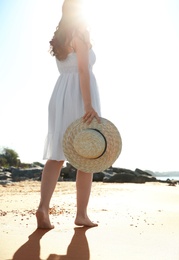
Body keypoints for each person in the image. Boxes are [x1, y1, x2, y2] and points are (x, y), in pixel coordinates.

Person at [36, 0, 100, 229]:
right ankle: (81, 215)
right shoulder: (80, 34)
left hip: (60, 93)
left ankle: (43, 207)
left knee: (56, 156)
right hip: (79, 96)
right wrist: (89, 104)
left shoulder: (61, 37)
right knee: (87, 155)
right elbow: (83, 70)